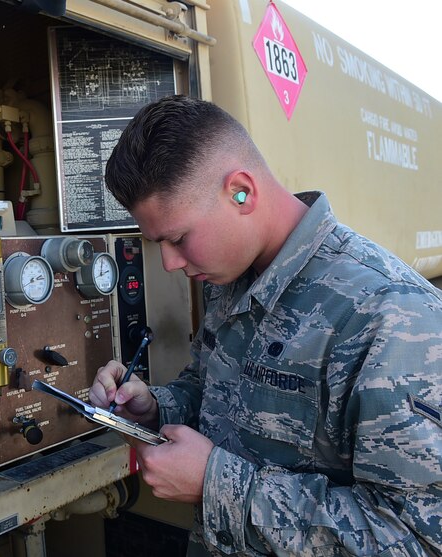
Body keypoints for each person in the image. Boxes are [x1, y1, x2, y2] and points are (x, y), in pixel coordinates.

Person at [89, 95, 442, 556]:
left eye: (177, 239)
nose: (170, 263)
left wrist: (217, 485)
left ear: (242, 192)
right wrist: (157, 409)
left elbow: (416, 538)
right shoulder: (229, 278)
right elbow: (214, 390)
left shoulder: (390, 315)